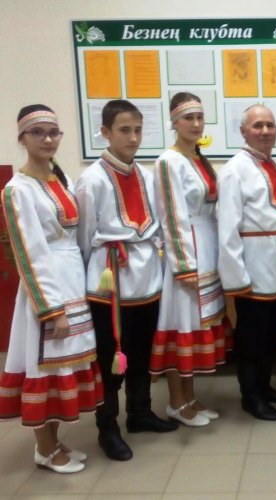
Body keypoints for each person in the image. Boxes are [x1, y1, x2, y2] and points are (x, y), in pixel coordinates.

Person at [0, 105, 102, 473]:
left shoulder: (62, 179)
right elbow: (29, 253)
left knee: (66, 367)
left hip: (72, 281)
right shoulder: (17, 189)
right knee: (45, 368)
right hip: (47, 289)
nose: (47, 139)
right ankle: (43, 448)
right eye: (38, 132)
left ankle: (55, 442)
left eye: (53, 132)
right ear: (22, 138)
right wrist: (51, 310)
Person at [75, 99, 177, 462]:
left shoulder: (146, 175)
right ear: (105, 132)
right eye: (124, 130)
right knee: (110, 356)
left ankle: (140, 412)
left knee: (141, 350)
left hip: (146, 276)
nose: (133, 138)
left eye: (137, 130)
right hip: (110, 280)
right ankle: (107, 427)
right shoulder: (92, 179)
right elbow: (84, 235)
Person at [149, 93, 232, 427]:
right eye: (188, 118)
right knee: (182, 325)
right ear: (174, 122)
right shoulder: (168, 161)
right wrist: (183, 266)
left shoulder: (197, 158)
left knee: (198, 327)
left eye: (199, 117)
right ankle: (176, 401)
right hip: (187, 253)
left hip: (207, 247)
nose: (196, 124)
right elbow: (171, 216)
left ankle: (190, 396)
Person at [217, 104, 276, 421]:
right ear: (243, 131)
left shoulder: (273, 165)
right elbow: (227, 228)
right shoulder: (235, 169)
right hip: (253, 268)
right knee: (251, 338)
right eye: (258, 125)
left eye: (270, 125)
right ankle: (251, 396)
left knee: (270, 334)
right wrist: (237, 278)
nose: (265, 131)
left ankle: (264, 385)